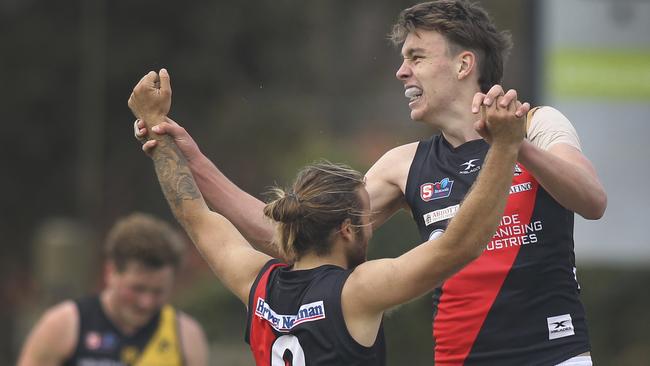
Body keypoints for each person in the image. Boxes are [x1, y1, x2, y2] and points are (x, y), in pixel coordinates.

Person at [134, 2, 607, 364]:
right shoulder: (403, 164)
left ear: (464, 65)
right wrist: (194, 158)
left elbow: (592, 201)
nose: (402, 71)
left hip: (555, 352)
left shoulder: (538, 124)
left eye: (416, 57)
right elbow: (300, 230)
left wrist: (513, 144)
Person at [128, 67, 526, 365]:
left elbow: (195, 214)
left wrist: (158, 133)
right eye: (368, 218)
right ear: (347, 230)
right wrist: (505, 148)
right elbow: (460, 245)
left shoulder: (256, 282)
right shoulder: (356, 293)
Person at [17, 213, 208, 366]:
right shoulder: (64, 325)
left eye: (158, 292)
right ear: (110, 272)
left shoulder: (186, 334)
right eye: (137, 288)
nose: (146, 302)